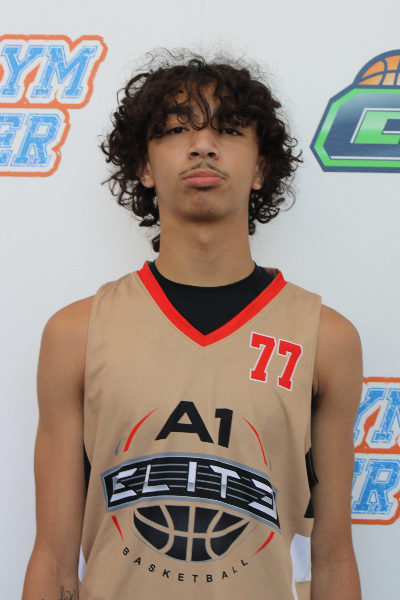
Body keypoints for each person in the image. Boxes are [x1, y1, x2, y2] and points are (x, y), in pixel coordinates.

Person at [22, 49, 363, 600]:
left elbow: (334, 559)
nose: (203, 145)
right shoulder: (75, 334)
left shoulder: (327, 339)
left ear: (261, 168)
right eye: (178, 129)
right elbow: (54, 558)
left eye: (228, 130)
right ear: (144, 167)